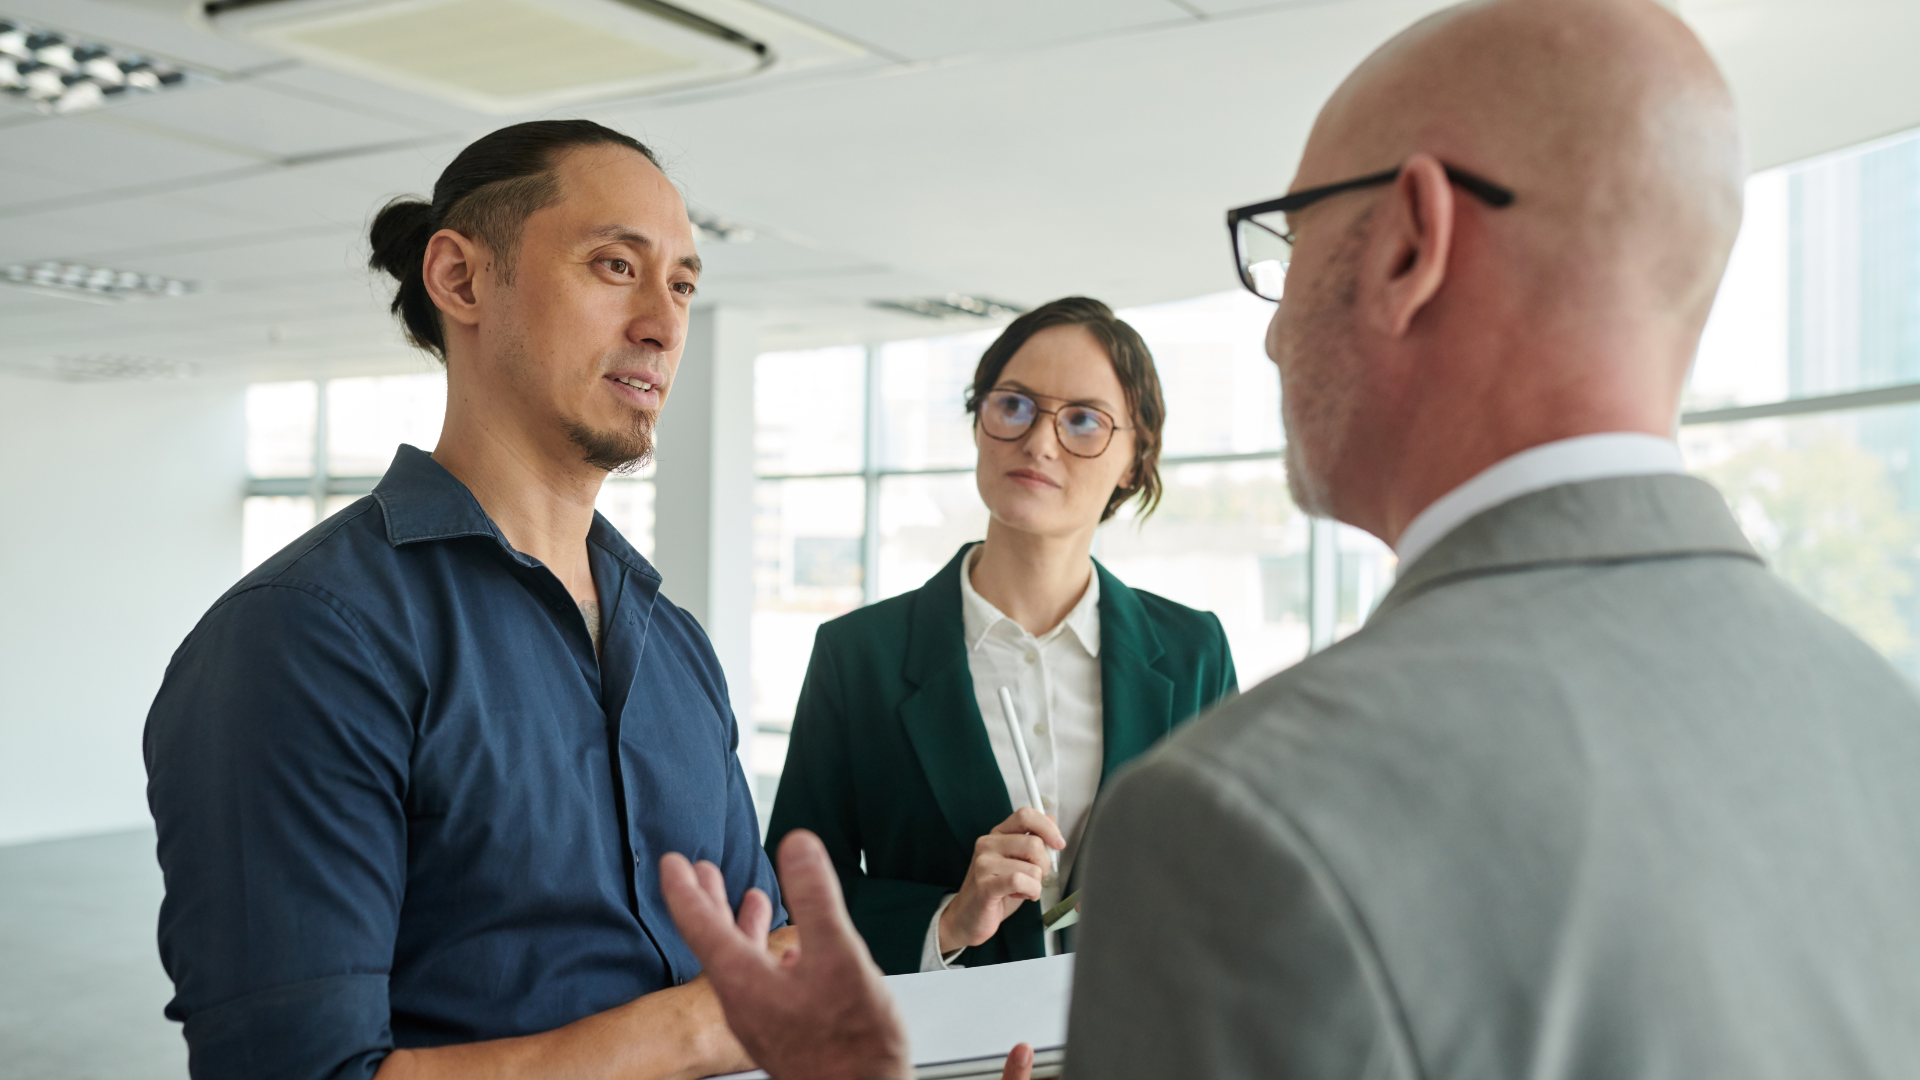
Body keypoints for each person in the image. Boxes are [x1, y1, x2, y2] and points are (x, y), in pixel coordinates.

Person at [656, 0, 1920, 1077]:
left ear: (1413, 244)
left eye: (1292, 237)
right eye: (1017, 406)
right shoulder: (1883, 727)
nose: (1268, 333)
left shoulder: (1240, 811)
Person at [144, 120, 792, 1080]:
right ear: (460, 279)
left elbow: (770, 967)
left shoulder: (673, 645)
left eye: (684, 284)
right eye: (617, 266)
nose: (663, 323)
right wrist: (696, 1029)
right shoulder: (304, 636)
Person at [765, 297, 1237, 975]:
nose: (1039, 442)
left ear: (1136, 460)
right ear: (979, 421)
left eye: (1083, 420)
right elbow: (795, 897)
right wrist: (949, 920)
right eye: (1013, 405)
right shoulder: (858, 656)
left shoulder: (1194, 652)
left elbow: (1228, 876)